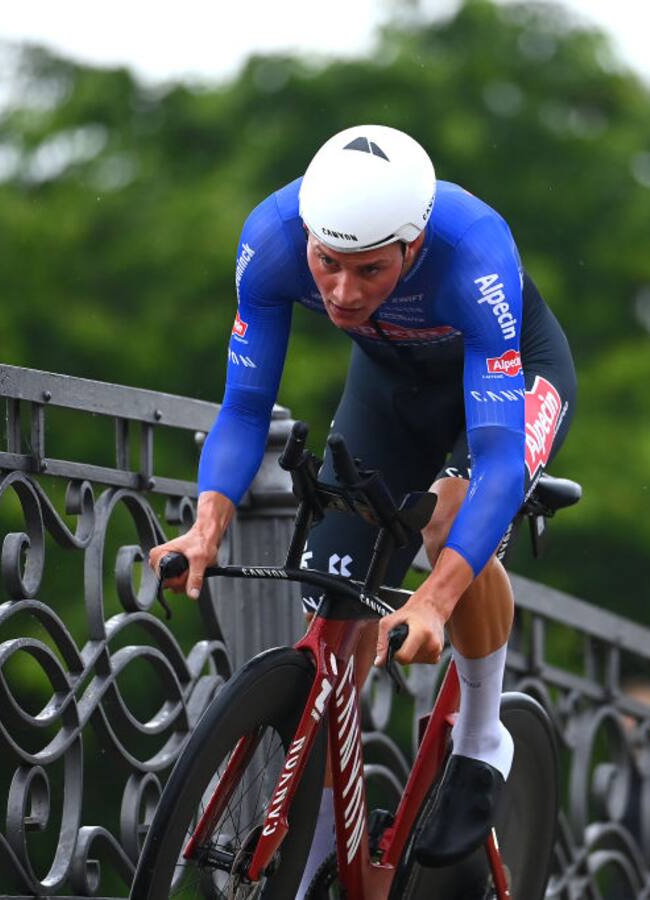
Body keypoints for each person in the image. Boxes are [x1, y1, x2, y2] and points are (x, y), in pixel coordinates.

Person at [148, 124, 576, 892]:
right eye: (328, 265)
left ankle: (482, 738)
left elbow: (499, 462)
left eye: (370, 269)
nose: (343, 293)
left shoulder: (473, 251)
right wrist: (205, 528)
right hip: (391, 387)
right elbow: (244, 409)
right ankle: (321, 864)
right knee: (334, 590)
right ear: (307, 238)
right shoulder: (272, 239)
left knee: (447, 518)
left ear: (414, 245)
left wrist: (434, 600)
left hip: (510, 382)